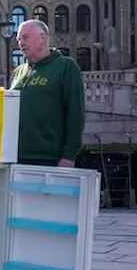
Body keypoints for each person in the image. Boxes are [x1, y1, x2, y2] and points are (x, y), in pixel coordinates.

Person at [9, 19, 86, 168]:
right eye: (19, 39)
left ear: (42, 38)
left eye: (26, 37)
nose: (21, 43)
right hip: (17, 158)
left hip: (50, 159)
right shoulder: (18, 72)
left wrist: (69, 156)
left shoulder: (66, 66)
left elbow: (76, 113)